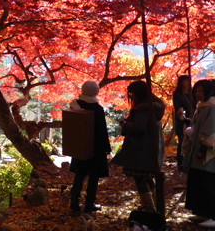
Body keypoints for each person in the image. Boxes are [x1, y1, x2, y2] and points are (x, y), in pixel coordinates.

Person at [111, 80, 166, 210]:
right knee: (147, 178)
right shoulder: (153, 107)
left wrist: (125, 125)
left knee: (140, 178)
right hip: (150, 147)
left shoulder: (143, 108)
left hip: (141, 149)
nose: (131, 95)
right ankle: (157, 206)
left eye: (132, 92)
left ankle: (149, 207)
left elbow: (139, 127)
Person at [68, 81, 111, 214]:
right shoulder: (97, 109)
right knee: (93, 178)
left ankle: (74, 205)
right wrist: (107, 148)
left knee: (79, 176)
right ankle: (89, 205)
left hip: (80, 146)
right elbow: (102, 131)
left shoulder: (75, 105)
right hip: (96, 149)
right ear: (96, 92)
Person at [182, 79, 215, 227]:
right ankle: (203, 212)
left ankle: (212, 216)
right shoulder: (201, 107)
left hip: (208, 151)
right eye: (196, 90)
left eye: (201, 90)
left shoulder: (212, 107)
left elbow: (209, 131)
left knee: (207, 181)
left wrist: (195, 133)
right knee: (199, 180)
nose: (198, 93)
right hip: (199, 149)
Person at [173, 75, 194, 170]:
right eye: (185, 81)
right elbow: (177, 107)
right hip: (182, 120)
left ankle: (189, 162)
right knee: (182, 141)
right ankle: (181, 164)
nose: (187, 83)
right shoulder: (177, 94)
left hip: (193, 119)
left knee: (192, 141)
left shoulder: (193, 93)